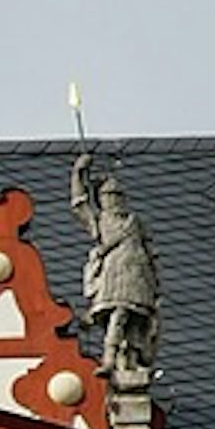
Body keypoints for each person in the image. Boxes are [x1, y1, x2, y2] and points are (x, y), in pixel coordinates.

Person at [70, 157, 160, 381]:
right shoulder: (100, 220)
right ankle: (109, 359)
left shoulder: (135, 221)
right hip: (115, 271)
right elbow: (79, 204)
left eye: (117, 196)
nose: (113, 201)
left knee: (135, 321)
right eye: (108, 197)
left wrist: (156, 282)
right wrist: (79, 173)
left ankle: (128, 360)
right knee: (118, 313)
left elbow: (151, 251)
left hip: (138, 273)